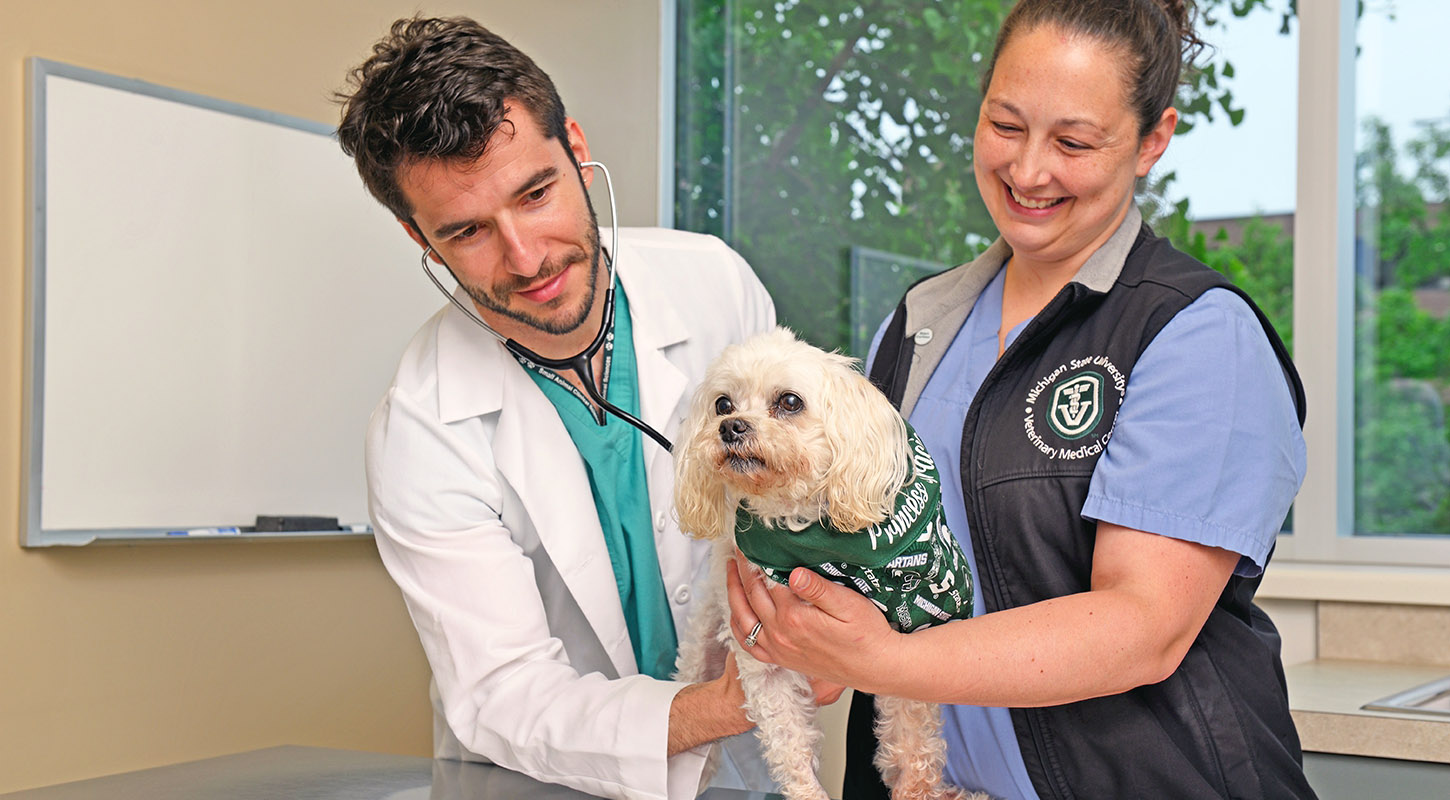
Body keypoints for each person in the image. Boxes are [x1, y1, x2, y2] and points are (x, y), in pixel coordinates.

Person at [726, 1, 1318, 798]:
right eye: (1006, 126)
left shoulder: (1193, 333)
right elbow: (873, 567)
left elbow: (1141, 626)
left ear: (1153, 141)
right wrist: (794, 618)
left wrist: (879, 658)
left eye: (1073, 141)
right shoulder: (918, 327)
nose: (1029, 170)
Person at [335, 16, 810, 800]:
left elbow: (795, 510)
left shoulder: (714, 286)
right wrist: (719, 706)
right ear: (415, 234)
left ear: (578, 151)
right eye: (467, 231)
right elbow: (507, 693)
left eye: (536, 193)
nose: (527, 257)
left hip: (743, 770)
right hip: (546, 779)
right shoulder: (422, 424)